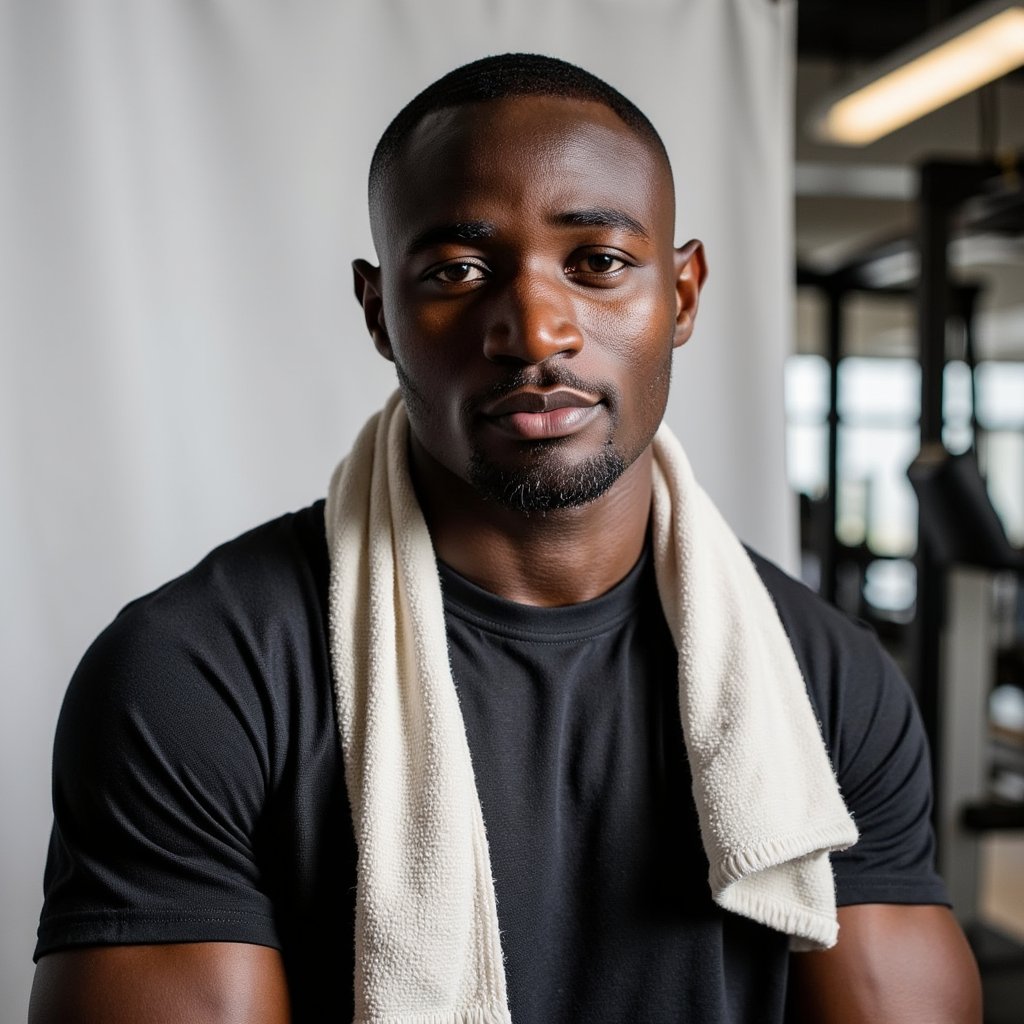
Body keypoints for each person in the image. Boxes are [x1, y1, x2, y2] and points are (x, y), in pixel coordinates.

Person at [30, 53, 981, 1024]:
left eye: (598, 263)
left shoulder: (827, 680)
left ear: (684, 294)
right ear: (379, 312)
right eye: (458, 270)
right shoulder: (195, 672)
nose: (533, 328)